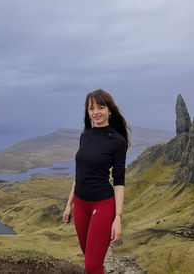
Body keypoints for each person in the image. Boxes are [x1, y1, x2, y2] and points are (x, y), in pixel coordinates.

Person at [63, 89, 130, 274]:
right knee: (89, 261)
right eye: (91, 108)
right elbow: (79, 174)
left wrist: (118, 217)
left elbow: (119, 181)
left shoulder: (118, 142)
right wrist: (69, 205)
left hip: (102, 204)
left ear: (109, 110)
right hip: (80, 205)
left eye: (101, 107)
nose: (96, 112)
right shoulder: (85, 136)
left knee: (93, 266)